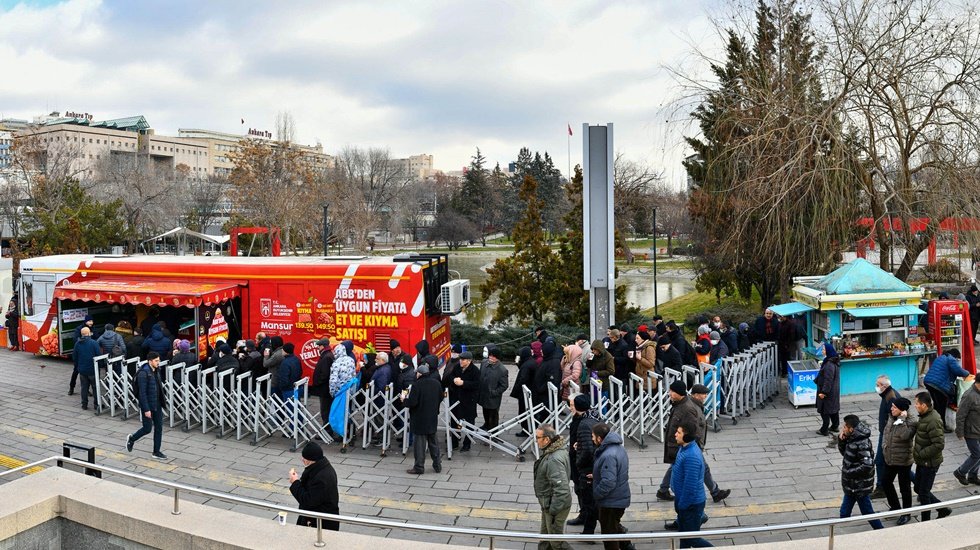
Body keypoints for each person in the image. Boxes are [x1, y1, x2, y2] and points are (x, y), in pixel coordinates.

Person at [837, 414, 884, 530]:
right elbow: (846, 454)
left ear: (851, 429)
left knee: (867, 512)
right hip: (851, 485)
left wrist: (849, 472)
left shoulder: (862, 443)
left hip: (860, 485)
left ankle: (881, 530)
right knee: (844, 513)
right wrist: (841, 441)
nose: (843, 429)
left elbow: (867, 465)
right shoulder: (852, 439)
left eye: (845, 427)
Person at [591, 423, 634, 550]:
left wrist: (596, 494)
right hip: (619, 497)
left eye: (593, 436)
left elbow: (609, 482)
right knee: (614, 525)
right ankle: (627, 546)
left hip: (611, 502)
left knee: (609, 535)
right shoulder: (619, 448)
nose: (592, 439)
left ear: (599, 438)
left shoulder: (608, 455)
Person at [671, 422, 714, 548]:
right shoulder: (684, 448)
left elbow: (690, 488)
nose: (675, 434)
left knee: (692, 539)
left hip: (690, 505)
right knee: (683, 537)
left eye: (679, 432)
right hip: (685, 502)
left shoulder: (692, 456)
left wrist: (682, 506)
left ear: (687, 436)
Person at [658, 381, 701, 502]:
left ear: (679, 393)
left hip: (682, 446)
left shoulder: (687, 408)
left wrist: (687, 444)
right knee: (675, 466)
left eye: (672, 391)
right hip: (676, 445)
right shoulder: (678, 404)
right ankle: (663, 490)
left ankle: (714, 491)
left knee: (681, 468)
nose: (669, 393)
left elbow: (694, 430)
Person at [913, 391, 952, 521]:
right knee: (919, 488)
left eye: (917, 403)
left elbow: (939, 444)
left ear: (924, 405)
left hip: (929, 463)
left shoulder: (933, 420)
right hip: (922, 461)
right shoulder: (925, 416)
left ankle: (926, 522)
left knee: (923, 493)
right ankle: (942, 508)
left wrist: (921, 454)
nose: (915, 406)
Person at [533, 423, 572, 550]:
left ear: (547, 439)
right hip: (548, 503)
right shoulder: (558, 450)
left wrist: (553, 510)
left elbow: (561, 489)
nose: (536, 441)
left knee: (556, 542)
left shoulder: (553, 459)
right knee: (545, 539)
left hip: (554, 505)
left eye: (538, 438)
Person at [566, 394, 600, 535]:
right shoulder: (586, 417)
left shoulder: (584, 423)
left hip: (582, 464)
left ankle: (587, 522)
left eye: (572, 405)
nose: (570, 407)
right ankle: (583, 515)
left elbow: (587, 448)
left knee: (586, 495)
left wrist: (578, 462)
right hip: (579, 460)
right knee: (581, 491)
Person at [288, 441, 340, 530]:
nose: (302, 459)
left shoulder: (321, 478)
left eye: (304, 458)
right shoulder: (322, 467)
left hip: (319, 523)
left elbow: (308, 501)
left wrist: (295, 482)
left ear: (310, 460)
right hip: (318, 518)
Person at [881, 397, 916, 526]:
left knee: (904, 487)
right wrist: (884, 447)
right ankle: (895, 506)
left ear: (902, 410)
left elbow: (905, 436)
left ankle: (906, 513)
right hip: (890, 457)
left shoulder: (911, 421)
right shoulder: (891, 417)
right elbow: (886, 433)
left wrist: (902, 420)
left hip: (903, 459)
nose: (891, 409)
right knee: (885, 482)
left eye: (894, 407)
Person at [126, 352, 167, 459]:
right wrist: (146, 409)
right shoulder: (143, 374)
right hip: (148, 405)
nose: (158, 363)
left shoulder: (156, 370)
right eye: (156, 361)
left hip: (157, 404)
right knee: (147, 429)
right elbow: (142, 394)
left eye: (159, 360)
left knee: (159, 428)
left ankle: (156, 452)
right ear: (150, 361)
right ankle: (132, 438)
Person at [404, 363, 442, 474]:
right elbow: (440, 397)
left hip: (419, 418)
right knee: (433, 442)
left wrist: (404, 400)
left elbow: (413, 402)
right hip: (432, 417)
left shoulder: (417, 385)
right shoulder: (436, 383)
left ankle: (419, 467)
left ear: (419, 374)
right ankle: (437, 464)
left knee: (419, 445)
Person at [923, 349, 969, 432]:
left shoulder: (941, 357)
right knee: (941, 406)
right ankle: (941, 427)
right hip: (937, 385)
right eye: (958, 359)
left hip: (928, 382)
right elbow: (959, 371)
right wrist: (967, 373)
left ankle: (934, 424)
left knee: (937, 405)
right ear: (955, 355)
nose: (958, 360)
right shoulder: (951, 359)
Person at [443, 350, 479, 452]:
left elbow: (476, 385)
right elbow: (450, 376)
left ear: (469, 361)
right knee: (455, 421)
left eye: (463, 360)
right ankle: (454, 442)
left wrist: (463, 383)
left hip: (468, 401)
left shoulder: (475, 371)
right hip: (456, 399)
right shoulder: (457, 367)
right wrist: (454, 380)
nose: (460, 361)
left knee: (469, 422)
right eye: (460, 359)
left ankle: (467, 444)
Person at [873, 375, 901, 499]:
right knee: (882, 461)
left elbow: (896, 418)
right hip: (885, 433)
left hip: (888, 435)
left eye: (877, 385)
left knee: (887, 463)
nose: (876, 387)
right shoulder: (887, 395)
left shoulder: (891, 398)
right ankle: (881, 486)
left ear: (884, 386)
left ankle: (881, 487)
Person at [954, 376, 980, 486]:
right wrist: (960, 433)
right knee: (977, 454)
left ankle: (973, 475)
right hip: (971, 431)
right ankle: (960, 472)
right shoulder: (969, 395)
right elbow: (960, 415)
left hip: (978, 429)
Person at [478, 345, 509, 431]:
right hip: (483, 395)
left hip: (493, 398)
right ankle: (486, 425)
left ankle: (493, 432)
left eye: (493, 356)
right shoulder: (484, 363)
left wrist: (494, 392)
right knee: (485, 412)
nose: (491, 358)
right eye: (490, 355)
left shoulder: (502, 370)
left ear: (498, 358)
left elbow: (504, 385)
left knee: (493, 416)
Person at [309, 338, 335, 437]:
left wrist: (317, 383)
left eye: (319, 346)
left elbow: (324, 374)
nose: (318, 348)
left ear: (323, 346)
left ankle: (327, 431)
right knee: (326, 409)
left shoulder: (326, 357)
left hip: (324, 389)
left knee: (325, 410)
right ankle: (327, 429)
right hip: (325, 389)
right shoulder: (328, 355)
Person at [815, 342, 841, 436]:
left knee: (824, 410)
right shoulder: (832, 360)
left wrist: (823, 392)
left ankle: (824, 429)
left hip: (828, 391)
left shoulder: (829, 364)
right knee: (833, 409)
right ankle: (835, 426)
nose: (822, 350)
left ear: (828, 351)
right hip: (833, 390)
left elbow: (828, 380)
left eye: (824, 349)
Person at [73, 326, 102, 411]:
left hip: (82, 370)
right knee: (95, 387)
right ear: (89, 333)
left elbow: (75, 357)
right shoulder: (94, 343)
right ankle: (96, 404)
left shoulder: (77, 344)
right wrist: (100, 366)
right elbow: (98, 355)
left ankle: (84, 404)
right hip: (93, 370)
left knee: (84, 387)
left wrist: (78, 366)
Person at [533, 339, 561, 421]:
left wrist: (541, 388)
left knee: (545, 417)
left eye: (543, 349)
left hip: (546, 396)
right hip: (541, 394)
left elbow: (552, 379)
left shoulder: (553, 362)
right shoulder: (546, 359)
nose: (541, 351)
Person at [69, 315, 96, 395]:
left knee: (87, 374)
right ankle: (71, 388)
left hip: (89, 354)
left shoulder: (93, 329)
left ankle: (86, 390)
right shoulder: (79, 329)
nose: (91, 323)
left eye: (92, 321)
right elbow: (75, 339)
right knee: (76, 371)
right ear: (86, 321)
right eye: (89, 321)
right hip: (80, 354)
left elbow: (96, 338)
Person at [512, 346, 536, 433]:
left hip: (525, 393)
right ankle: (527, 428)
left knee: (523, 410)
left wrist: (516, 390)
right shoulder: (530, 362)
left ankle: (525, 430)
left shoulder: (527, 365)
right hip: (530, 390)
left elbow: (523, 379)